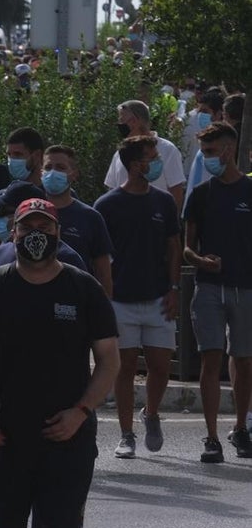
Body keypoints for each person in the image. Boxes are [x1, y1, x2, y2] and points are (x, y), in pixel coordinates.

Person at [0, 198, 119, 528]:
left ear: (58, 233)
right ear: (13, 233)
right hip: (3, 438)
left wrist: (80, 412)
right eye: (28, 228)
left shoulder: (83, 288)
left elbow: (109, 361)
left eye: (45, 228)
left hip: (67, 437)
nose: (36, 235)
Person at [93, 136, 181, 459]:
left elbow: (174, 246)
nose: (157, 163)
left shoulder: (164, 202)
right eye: (151, 158)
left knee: (160, 367)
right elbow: (99, 256)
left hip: (158, 298)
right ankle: (126, 434)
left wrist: (174, 288)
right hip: (120, 300)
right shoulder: (107, 205)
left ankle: (151, 413)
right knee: (125, 368)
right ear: (134, 165)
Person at [182, 122, 252, 461]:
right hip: (208, 288)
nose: (206, 158)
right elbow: (187, 248)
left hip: (246, 289)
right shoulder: (200, 194)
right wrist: (201, 260)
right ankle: (211, 438)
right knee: (210, 359)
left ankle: (240, 428)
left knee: (244, 360)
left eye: (210, 151)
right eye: (203, 152)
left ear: (228, 150)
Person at [40, 145, 114, 294]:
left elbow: (103, 273)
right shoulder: (31, 214)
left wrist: (104, 306)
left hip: (78, 299)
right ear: (41, 173)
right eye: (48, 167)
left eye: (60, 167)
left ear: (74, 174)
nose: (53, 172)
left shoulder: (90, 217)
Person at [104, 99, 186, 213]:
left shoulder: (168, 150)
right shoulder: (120, 153)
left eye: (122, 120)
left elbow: (176, 191)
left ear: (134, 121)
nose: (119, 125)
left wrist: (171, 220)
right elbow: (112, 188)